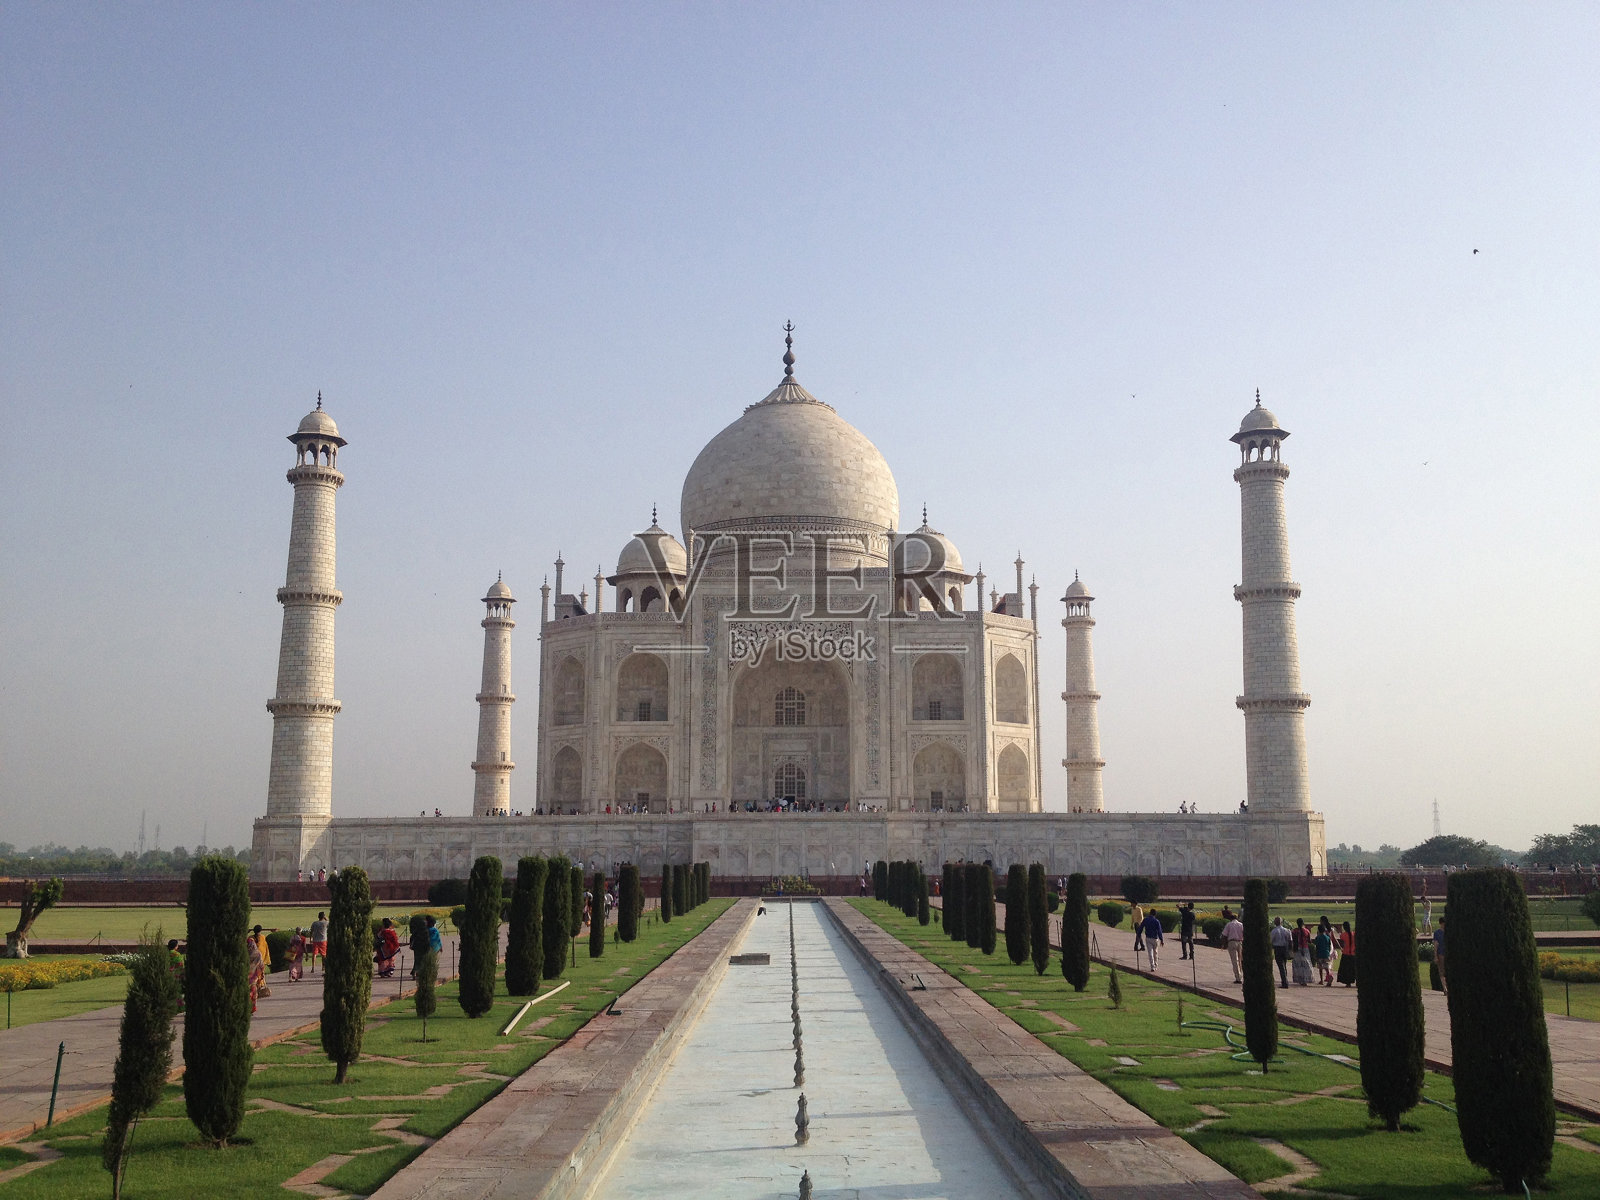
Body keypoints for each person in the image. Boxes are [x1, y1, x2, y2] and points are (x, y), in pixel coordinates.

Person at [1269, 917, 1292, 987]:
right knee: (1284, 965)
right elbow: (1290, 940)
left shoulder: (1274, 931)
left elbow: (1271, 941)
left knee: (1281, 966)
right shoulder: (1287, 930)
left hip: (1278, 948)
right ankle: (1285, 981)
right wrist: (1290, 949)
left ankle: (1284, 982)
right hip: (1285, 948)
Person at [1222, 912, 1245, 983]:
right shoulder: (1241, 924)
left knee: (1235, 961)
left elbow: (1224, 935)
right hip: (1240, 942)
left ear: (1230, 919)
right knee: (1240, 960)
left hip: (1232, 942)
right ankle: (1241, 975)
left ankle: (1238, 977)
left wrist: (1224, 944)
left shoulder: (1229, 924)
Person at [1291, 918, 1314, 986]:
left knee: (1298, 965)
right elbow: (1309, 940)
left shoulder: (1294, 931)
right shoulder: (1306, 931)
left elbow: (1292, 940)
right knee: (1306, 965)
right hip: (1305, 948)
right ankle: (1306, 979)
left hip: (1297, 949)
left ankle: (1300, 979)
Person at [246, 933, 265, 1014]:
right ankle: (252, 1008)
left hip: (246, 976)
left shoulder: (245, 954)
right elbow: (261, 965)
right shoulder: (258, 953)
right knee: (253, 991)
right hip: (254, 976)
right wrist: (261, 974)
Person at [252, 925, 273, 997]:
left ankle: (255, 991)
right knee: (260, 976)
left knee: (253, 977)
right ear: (260, 930)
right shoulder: (262, 938)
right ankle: (258, 991)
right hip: (261, 961)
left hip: (252, 963)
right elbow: (265, 949)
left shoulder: (250, 938)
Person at [1336, 921, 1357, 987]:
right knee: (1353, 969)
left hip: (1346, 954)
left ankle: (1348, 983)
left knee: (1346, 970)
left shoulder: (1343, 935)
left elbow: (1342, 944)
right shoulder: (1354, 934)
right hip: (1353, 954)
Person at [1313, 921, 1334, 986]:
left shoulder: (1318, 937)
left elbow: (1316, 945)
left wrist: (1315, 954)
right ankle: (1329, 976)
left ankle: (1321, 980)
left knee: (1320, 968)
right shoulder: (1327, 937)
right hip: (1326, 953)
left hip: (1320, 954)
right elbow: (1329, 945)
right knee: (1327, 967)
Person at [1432, 917, 1447, 992]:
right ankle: (1445, 988)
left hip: (1447, 953)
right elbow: (1435, 944)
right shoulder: (1437, 933)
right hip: (1440, 954)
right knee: (1441, 971)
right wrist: (1435, 956)